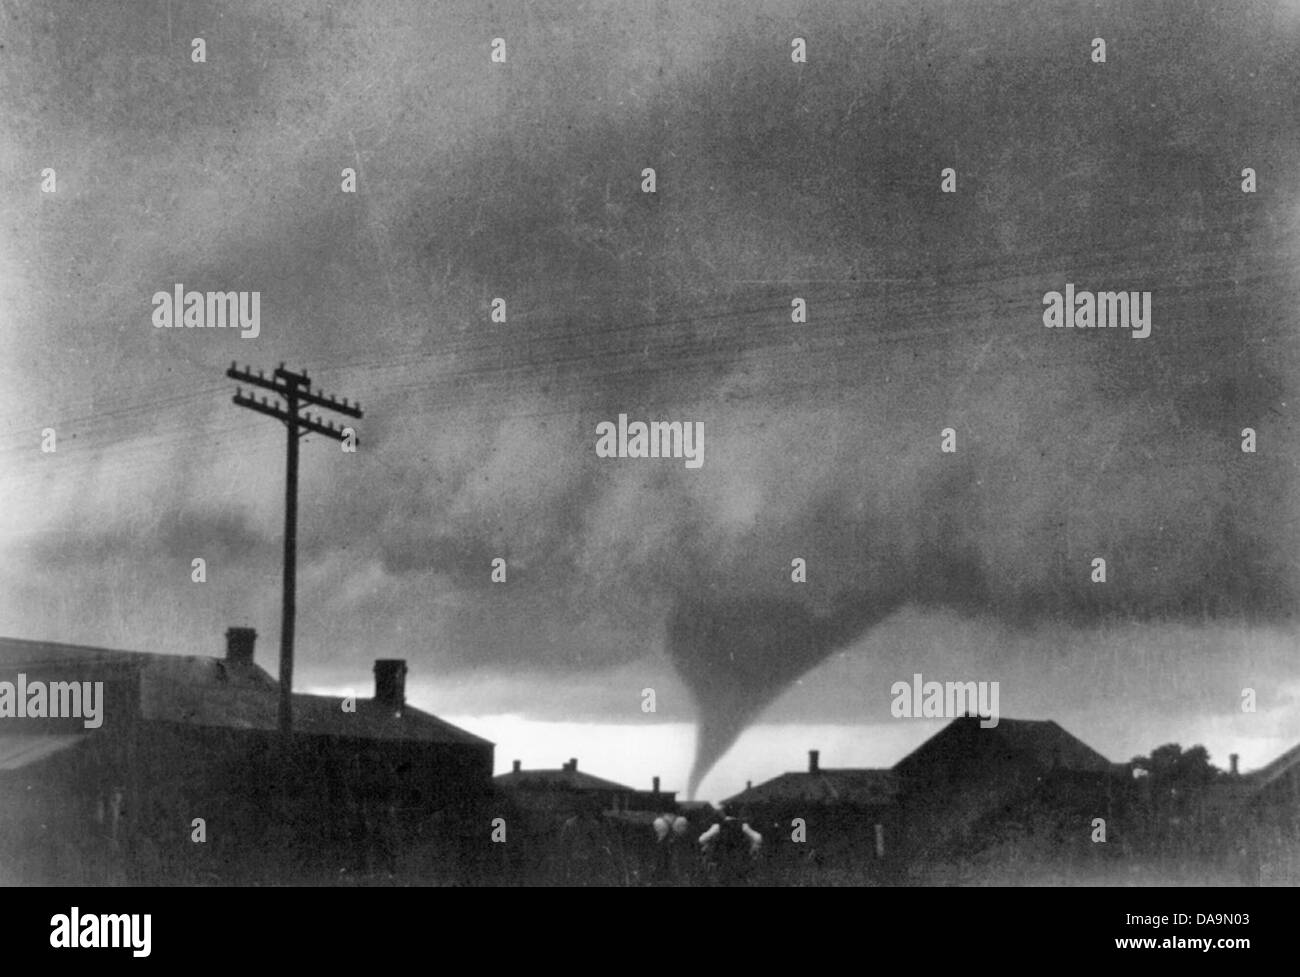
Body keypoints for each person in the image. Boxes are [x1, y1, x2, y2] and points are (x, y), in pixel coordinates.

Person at [698, 803, 762, 883]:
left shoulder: (717, 827)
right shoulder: (743, 826)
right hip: (740, 863)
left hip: (722, 864)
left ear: (724, 813)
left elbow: (701, 840)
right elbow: (758, 838)